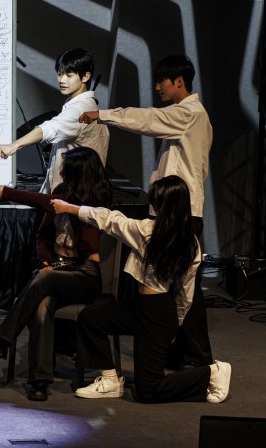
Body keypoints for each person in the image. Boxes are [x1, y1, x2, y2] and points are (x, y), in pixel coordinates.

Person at [79, 55, 212, 370]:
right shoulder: (188, 116)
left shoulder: (189, 114)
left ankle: (198, 358)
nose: (157, 87)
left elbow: (148, 119)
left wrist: (103, 115)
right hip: (174, 212)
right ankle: (178, 352)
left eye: (161, 81)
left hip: (180, 214)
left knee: (183, 286)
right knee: (169, 283)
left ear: (178, 81)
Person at [52, 175, 230, 404]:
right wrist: (177, 321)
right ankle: (110, 379)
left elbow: (109, 219)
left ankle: (212, 373)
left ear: (161, 206)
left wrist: (69, 207)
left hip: (157, 315)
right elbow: (185, 293)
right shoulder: (190, 242)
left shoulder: (148, 231)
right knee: (90, 317)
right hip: (144, 308)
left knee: (148, 390)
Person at [0, 147, 113, 401]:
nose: (62, 173)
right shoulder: (62, 192)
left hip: (85, 275)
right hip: (57, 271)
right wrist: (45, 261)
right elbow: (43, 236)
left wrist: (7, 192)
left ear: (79, 174)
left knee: (44, 278)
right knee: (42, 305)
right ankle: (39, 380)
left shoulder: (97, 201)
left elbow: (48, 204)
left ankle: (3, 338)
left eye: (66, 170)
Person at [0, 48, 109, 194]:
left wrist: (14, 145)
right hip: (80, 194)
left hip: (74, 197)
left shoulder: (81, 109)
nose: (62, 80)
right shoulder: (88, 106)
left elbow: (50, 128)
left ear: (85, 77)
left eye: (69, 75)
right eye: (60, 74)